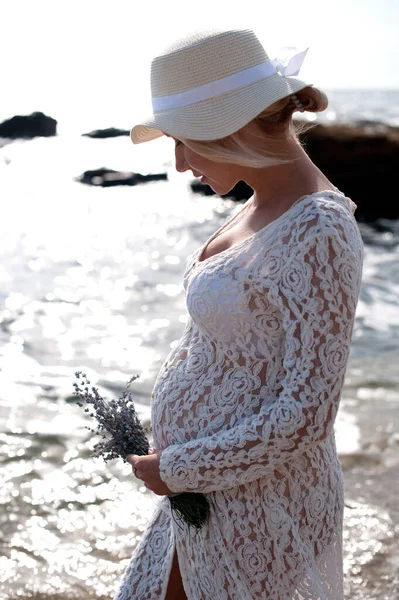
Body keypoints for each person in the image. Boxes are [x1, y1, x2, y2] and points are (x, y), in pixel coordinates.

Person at [114, 27, 364, 600]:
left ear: (228, 130)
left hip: (263, 501)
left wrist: (178, 469)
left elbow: (307, 415)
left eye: (184, 141)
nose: (179, 164)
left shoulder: (320, 228)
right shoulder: (259, 204)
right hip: (212, 492)